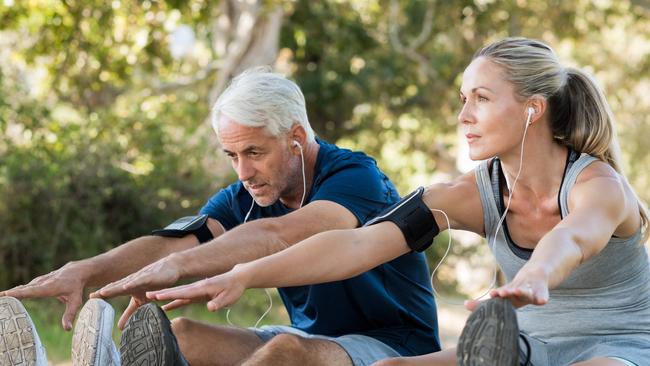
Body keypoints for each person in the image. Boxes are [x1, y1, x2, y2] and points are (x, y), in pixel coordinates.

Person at [146, 38, 650, 366]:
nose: (464, 116)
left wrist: (536, 275)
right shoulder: (466, 194)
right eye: (462, 99)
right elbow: (356, 245)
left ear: (532, 110)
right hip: (527, 345)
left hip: (616, 348)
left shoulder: (598, 185)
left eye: (482, 98)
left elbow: (573, 236)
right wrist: (245, 274)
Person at [1, 68, 440, 366]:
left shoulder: (356, 176)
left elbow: (278, 235)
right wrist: (87, 271)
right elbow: (178, 242)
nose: (243, 172)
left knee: (286, 352)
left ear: (297, 137)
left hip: (394, 346)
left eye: (254, 152)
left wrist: (177, 269)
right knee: (184, 335)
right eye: (232, 155)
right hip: (314, 335)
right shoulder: (247, 192)